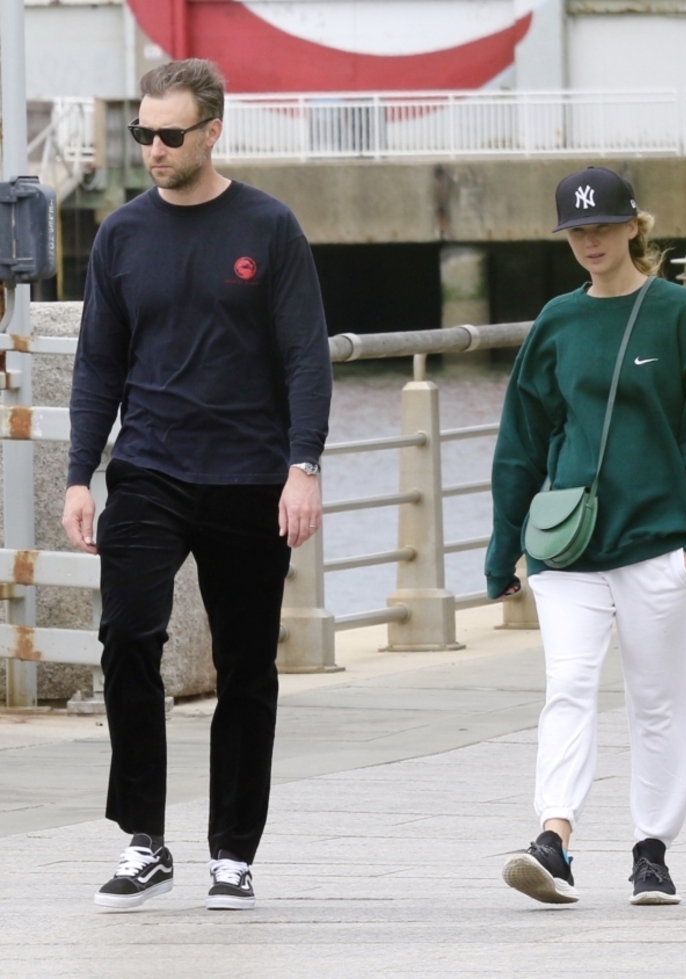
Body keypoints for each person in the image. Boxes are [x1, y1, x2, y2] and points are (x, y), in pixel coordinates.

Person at [62, 59, 331, 911]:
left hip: (250, 475)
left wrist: (304, 465)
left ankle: (233, 852)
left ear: (213, 130)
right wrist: (78, 474)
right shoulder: (121, 236)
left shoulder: (268, 226)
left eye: (170, 135)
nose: (153, 149)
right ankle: (144, 838)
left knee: (247, 667)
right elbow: (97, 364)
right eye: (143, 133)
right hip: (148, 469)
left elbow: (305, 358)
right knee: (128, 638)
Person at [485, 166, 686, 906]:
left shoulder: (681, 316)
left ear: (636, 226)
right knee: (567, 685)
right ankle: (554, 839)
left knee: (660, 703)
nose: (590, 240)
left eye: (603, 226)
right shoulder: (557, 322)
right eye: (577, 229)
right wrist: (502, 544)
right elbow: (522, 439)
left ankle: (651, 850)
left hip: (661, 548)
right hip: (568, 551)